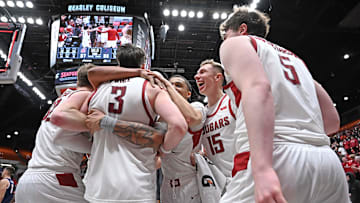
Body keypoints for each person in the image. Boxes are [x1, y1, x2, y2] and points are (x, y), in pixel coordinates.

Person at [219, 6, 349, 203]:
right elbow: (332, 120)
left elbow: (259, 88)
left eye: (226, 34)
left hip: (275, 155)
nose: (224, 40)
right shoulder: (296, 60)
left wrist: (262, 169)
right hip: (327, 162)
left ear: (241, 29)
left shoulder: (236, 44)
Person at [84, 44, 188, 202]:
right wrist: (164, 150)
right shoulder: (151, 89)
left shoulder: (99, 88)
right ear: (143, 64)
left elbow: (92, 73)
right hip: (137, 187)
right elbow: (179, 125)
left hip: (97, 188)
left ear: (118, 62)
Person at [15, 64, 95, 203]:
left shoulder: (64, 98)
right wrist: (98, 148)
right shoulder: (86, 96)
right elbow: (63, 138)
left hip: (29, 180)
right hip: (56, 179)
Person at [155, 74, 206, 203]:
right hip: (166, 184)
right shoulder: (160, 115)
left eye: (178, 85)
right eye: (170, 84)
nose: (172, 87)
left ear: (188, 94)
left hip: (189, 183)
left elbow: (192, 119)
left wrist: (167, 87)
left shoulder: (196, 106)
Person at [194, 59, 237, 178]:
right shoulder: (201, 113)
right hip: (216, 180)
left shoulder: (232, 102)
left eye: (202, 72)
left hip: (239, 176)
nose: (196, 76)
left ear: (218, 77)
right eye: (197, 73)